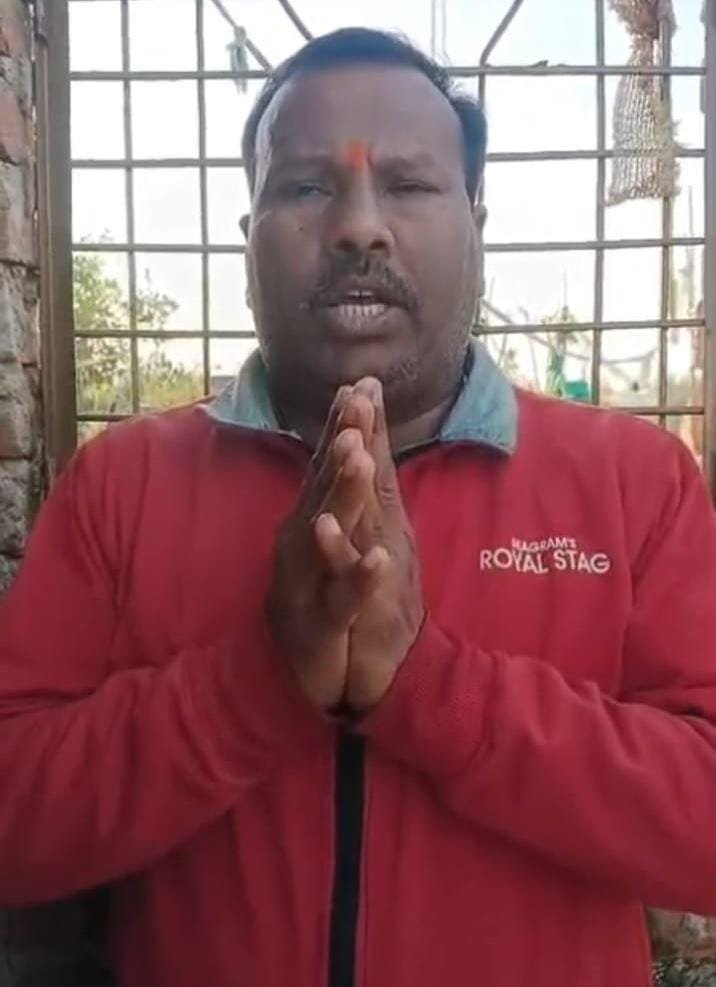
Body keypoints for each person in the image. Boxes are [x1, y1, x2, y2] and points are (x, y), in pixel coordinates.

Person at [0, 26, 715, 987]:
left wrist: (439, 691)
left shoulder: (636, 482)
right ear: (247, 235)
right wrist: (256, 683)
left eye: (410, 185)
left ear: (476, 223)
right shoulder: (120, 485)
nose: (359, 227)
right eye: (306, 187)